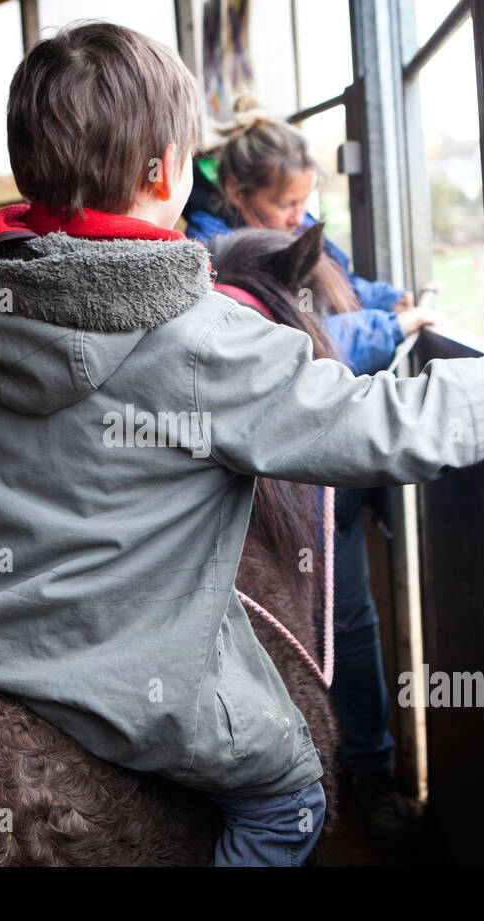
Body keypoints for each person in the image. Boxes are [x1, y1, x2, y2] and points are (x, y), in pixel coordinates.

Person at [0, 21, 484, 866]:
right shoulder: (202, 338)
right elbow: (371, 425)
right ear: (166, 171)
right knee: (293, 794)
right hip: (100, 671)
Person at [183, 101, 441, 846]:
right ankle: (287, 787)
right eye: (286, 204)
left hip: (331, 488)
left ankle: (370, 774)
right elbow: (284, 340)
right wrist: (391, 328)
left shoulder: (295, 235)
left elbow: (346, 282)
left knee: (352, 629)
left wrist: (394, 300)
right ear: (239, 197)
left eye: (306, 202)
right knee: (276, 637)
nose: (300, 216)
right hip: (269, 493)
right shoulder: (211, 256)